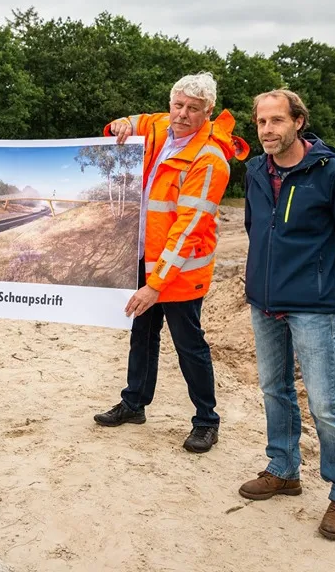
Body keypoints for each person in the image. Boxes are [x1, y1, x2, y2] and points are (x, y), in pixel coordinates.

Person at [238, 89, 335, 541]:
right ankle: (283, 469)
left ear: (298, 121)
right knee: (274, 389)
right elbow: (256, 230)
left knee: (325, 404)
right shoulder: (256, 170)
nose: (268, 131)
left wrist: (326, 286)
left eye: (277, 120)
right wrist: (263, 281)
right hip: (264, 299)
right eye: (261, 122)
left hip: (313, 305)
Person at [93, 72, 248, 453]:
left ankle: (206, 421)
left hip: (180, 272)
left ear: (207, 112)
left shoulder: (210, 159)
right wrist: (123, 124)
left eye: (193, 109)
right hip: (146, 260)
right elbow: (138, 122)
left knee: (188, 344)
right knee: (142, 336)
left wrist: (155, 284)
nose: (182, 114)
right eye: (177, 105)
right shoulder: (161, 126)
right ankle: (134, 403)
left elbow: (188, 228)